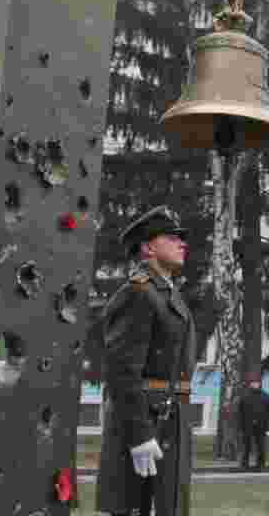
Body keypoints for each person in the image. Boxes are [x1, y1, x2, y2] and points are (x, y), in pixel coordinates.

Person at [94, 206, 196, 516]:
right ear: (148, 247)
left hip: (171, 418)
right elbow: (122, 371)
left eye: (182, 239)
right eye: (172, 237)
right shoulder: (137, 294)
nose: (182, 244)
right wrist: (139, 436)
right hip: (147, 420)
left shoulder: (167, 294)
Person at [238, 372, 269, 471]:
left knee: (261, 446)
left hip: (261, 425)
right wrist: (241, 425)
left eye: (257, 382)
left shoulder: (265, 396)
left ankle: (261, 464)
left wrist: (268, 425)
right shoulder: (245, 396)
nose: (255, 384)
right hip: (247, 425)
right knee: (246, 446)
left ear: (259, 384)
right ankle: (244, 464)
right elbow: (240, 412)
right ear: (250, 384)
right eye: (253, 383)